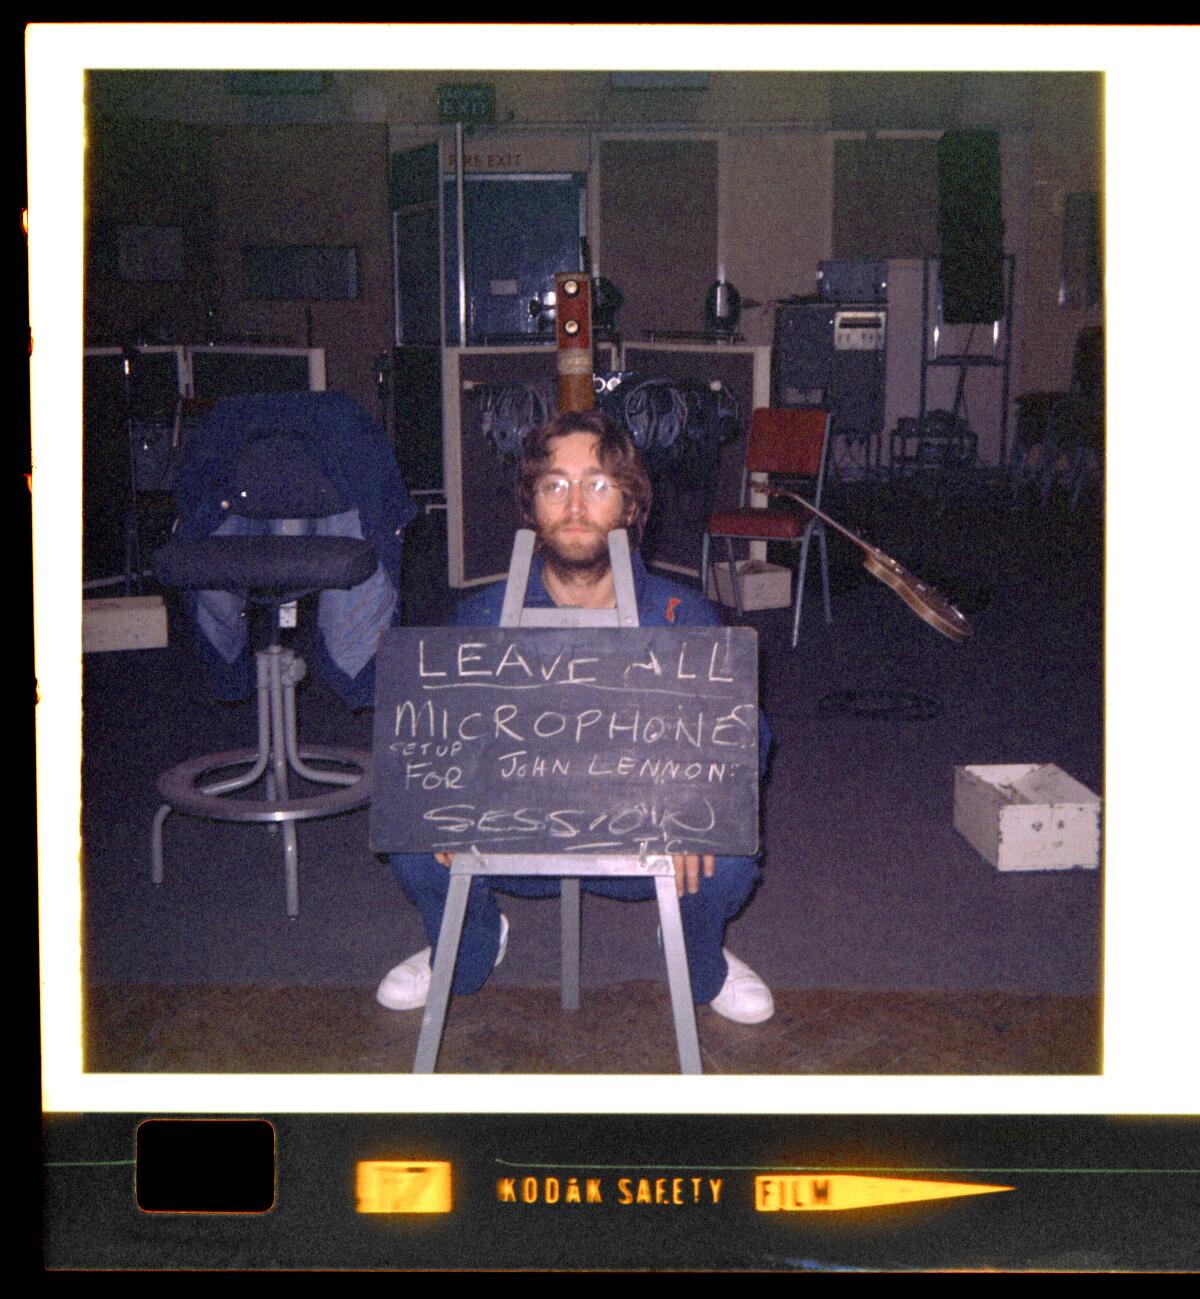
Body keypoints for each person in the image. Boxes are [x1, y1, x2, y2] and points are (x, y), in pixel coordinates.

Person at [377, 409, 774, 1024]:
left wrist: (700, 817)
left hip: (641, 844)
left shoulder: (682, 613)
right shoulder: (481, 615)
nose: (576, 504)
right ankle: (469, 945)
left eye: (597, 484)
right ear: (532, 507)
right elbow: (428, 736)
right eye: (554, 485)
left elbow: (743, 736)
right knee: (413, 841)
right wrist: (440, 809)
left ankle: (697, 958)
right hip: (515, 838)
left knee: (727, 858)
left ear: (631, 507)